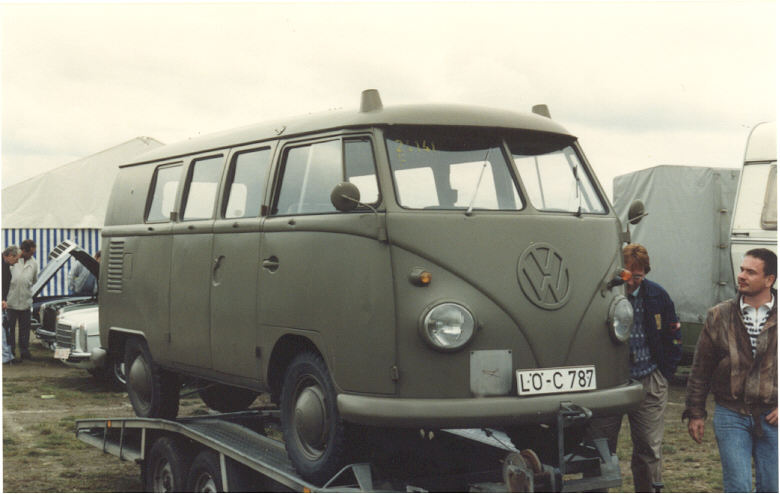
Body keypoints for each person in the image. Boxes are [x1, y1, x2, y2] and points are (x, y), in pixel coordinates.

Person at [588, 243, 681, 492]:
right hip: (609, 383)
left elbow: (673, 334)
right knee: (601, 448)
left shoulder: (657, 295)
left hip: (648, 379)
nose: (631, 282)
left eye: (638, 276)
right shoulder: (602, 296)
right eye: (626, 276)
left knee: (649, 448)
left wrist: (665, 373)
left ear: (645, 273)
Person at [683, 248, 777, 493]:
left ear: (770, 280)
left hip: (773, 416)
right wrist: (695, 412)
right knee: (738, 487)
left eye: (751, 272)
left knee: (772, 486)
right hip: (731, 414)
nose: (742, 276)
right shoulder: (719, 315)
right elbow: (701, 369)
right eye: (741, 269)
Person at [6, 239, 38, 360]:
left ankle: (24, 351)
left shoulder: (34, 263)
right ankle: (10, 351)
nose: (33, 255)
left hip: (25, 300)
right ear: (24, 251)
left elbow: (34, 279)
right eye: (31, 252)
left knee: (25, 329)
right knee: (10, 328)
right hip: (11, 301)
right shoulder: (13, 259)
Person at [3, 245, 20, 364]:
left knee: (5, 329)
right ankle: (5, 356)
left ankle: (7, 355)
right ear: (9, 256)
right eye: (16, 258)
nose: (17, 261)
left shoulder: (6, 265)